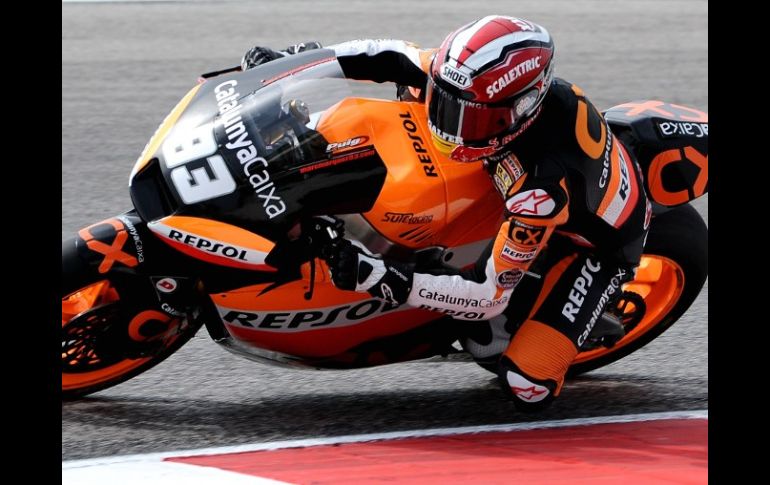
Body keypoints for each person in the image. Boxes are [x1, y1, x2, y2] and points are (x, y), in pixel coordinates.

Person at [241, 15, 651, 411]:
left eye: (475, 119)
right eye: (447, 104)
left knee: (525, 384)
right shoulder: (472, 82)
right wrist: (289, 63)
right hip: (520, 178)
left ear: (523, 108)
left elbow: (488, 295)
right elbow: (384, 53)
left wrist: (382, 277)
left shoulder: (540, 190)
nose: (451, 126)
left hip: (600, 247)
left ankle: (552, 317)